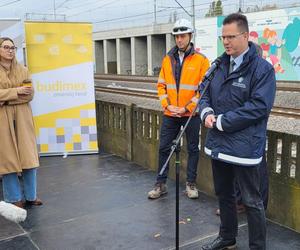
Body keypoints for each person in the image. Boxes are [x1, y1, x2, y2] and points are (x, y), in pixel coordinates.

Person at [199, 13, 276, 250]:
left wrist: (221, 121)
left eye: (231, 36)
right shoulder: (218, 65)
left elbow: (258, 107)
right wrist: (206, 112)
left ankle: (257, 246)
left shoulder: (262, 70)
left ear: (245, 35)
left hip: (244, 148)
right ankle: (227, 237)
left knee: (252, 201)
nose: (226, 42)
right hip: (220, 145)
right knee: (224, 195)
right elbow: (204, 92)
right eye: (223, 37)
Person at [148, 19, 210, 199]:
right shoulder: (168, 59)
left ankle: (191, 183)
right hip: (170, 113)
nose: (179, 40)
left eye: (183, 36)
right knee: (164, 148)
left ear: (190, 36)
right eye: (177, 36)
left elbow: (204, 90)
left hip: (190, 114)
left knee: (192, 148)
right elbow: (161, 86)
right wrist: (168, 105)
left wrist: (186, 108)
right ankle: (160, 184)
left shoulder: (201, 61)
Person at [0, 37, 42, 208]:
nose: (10, 50)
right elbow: (22, 93)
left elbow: (30, 95)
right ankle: (13, 198)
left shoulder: (23, 70)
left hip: (23, 118)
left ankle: (31, 196)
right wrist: (17, 91)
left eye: (13, 47)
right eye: (6, 47)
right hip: (3, 120)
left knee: (29, 157)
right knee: (7, 158)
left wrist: (6, 98)